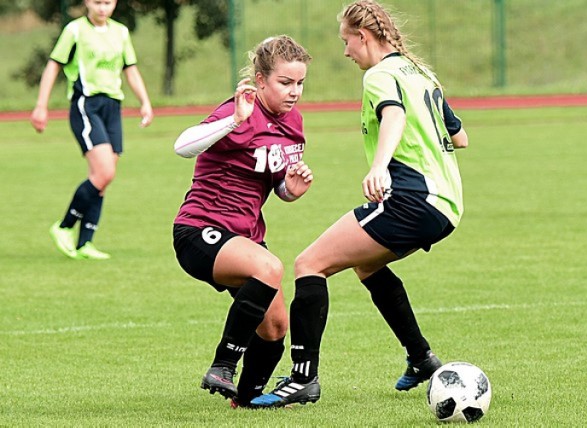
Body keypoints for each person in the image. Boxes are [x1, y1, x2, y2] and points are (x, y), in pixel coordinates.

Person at [251, 0, 469, 408]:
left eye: (346, 41)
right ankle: (421, 357)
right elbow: (460, 137)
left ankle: (303, 378)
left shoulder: (380, 76)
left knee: (308, 264)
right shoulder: (420, 71)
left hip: (413, 198)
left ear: (363, 37)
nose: (346, 51)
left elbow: (395, 116)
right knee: (367, 265)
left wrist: (381, 166)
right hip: (447, 203)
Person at [172, 35, 313, 408]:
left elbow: (276, 184)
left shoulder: (293, 122)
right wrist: (234, 120)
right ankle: (223, 365)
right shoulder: (240, 110)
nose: (294, 91)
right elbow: (183, 145)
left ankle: (246, 400)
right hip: (199, 230)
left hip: (245, 237)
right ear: (261, 79)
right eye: (285, 82)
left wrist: (289, 189)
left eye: (300, 83)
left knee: (276, 327)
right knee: (271, 268)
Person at [31, 0, 154, 260]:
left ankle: (84, 243)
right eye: (97, 2)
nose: (102, 8)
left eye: (108, 3)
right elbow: (54, 65)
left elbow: (130, 69)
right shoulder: (74, 30)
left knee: (102, 179)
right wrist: (41, 106)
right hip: (87, 105)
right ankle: (64, 227)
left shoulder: (120, 31)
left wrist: (145, 102)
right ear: (87, 2)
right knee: (104, 172)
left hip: (113, 107)